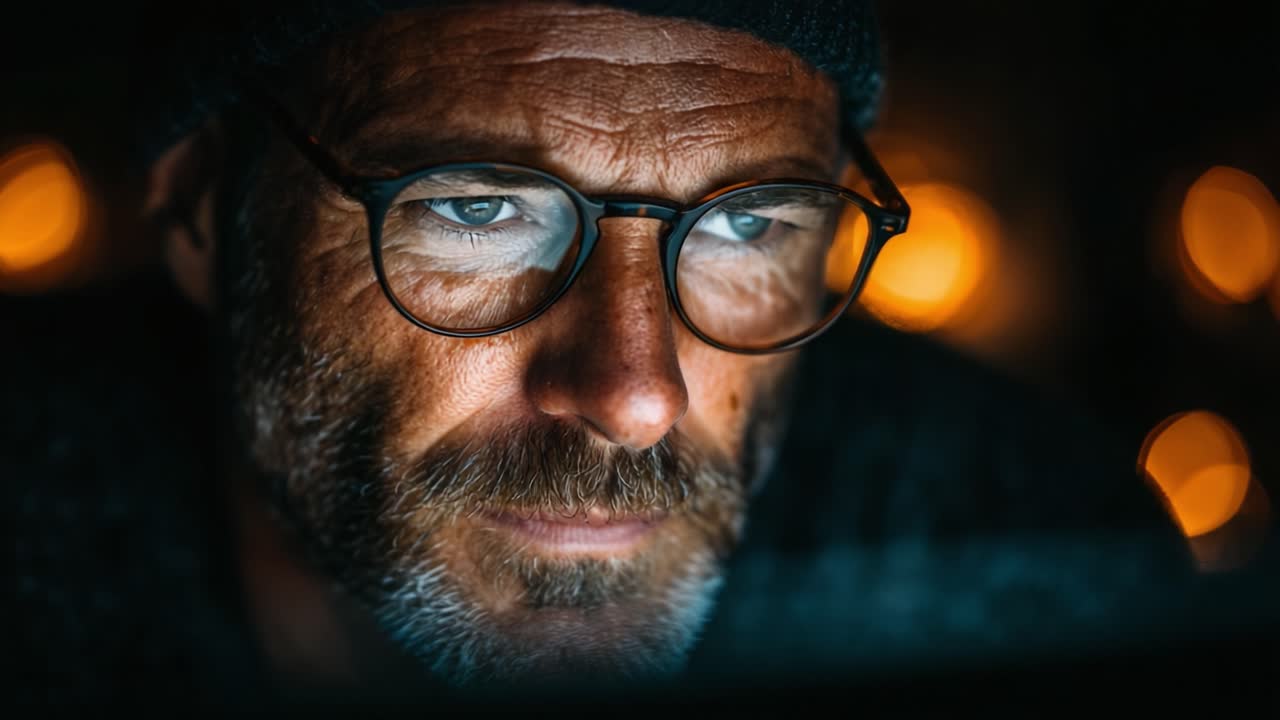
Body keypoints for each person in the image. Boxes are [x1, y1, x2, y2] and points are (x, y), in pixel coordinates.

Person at [13, 0, 1222, 709]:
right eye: (477, 210)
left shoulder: (1021, 550)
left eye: (747, 224)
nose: (635, 393)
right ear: (202, 218)